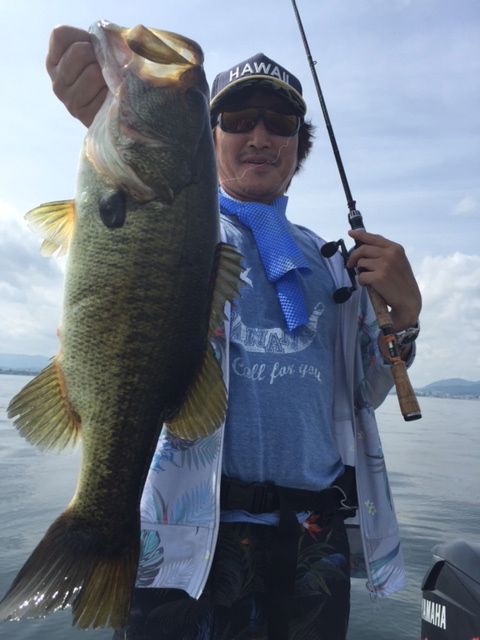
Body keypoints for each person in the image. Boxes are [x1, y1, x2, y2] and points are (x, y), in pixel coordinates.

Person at [46, 26, 422, 640]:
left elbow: (366, 390)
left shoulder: (334, 265)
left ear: (298, 145)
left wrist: (404, 319)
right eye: (238, 119)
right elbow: (135, 219)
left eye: (280, 123)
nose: (260, 136)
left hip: (311, 537)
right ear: (208, 136)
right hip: (190, 531)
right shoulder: (186, 227)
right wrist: (112, 114)